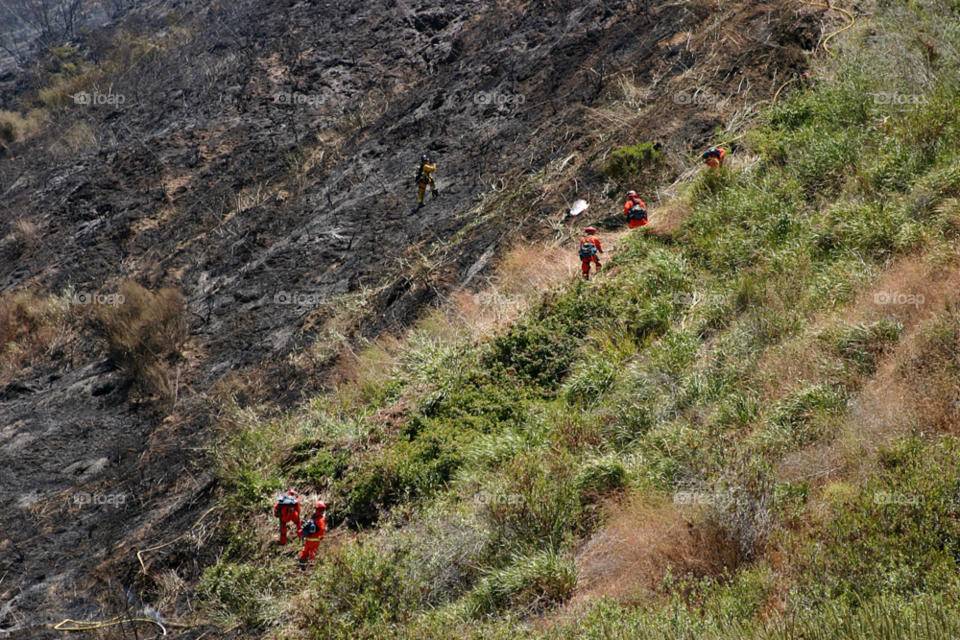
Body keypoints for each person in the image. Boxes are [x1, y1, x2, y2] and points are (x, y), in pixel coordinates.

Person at [298, 501, 327, 568]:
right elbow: (322, 529)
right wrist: (321, 537)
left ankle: (301, 561)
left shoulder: (312, 517)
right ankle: (311, 567)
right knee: (312, 553)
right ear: (322, 510)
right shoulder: (320, 519)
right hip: (314, 539)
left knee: (305, 551)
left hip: (308, 538)